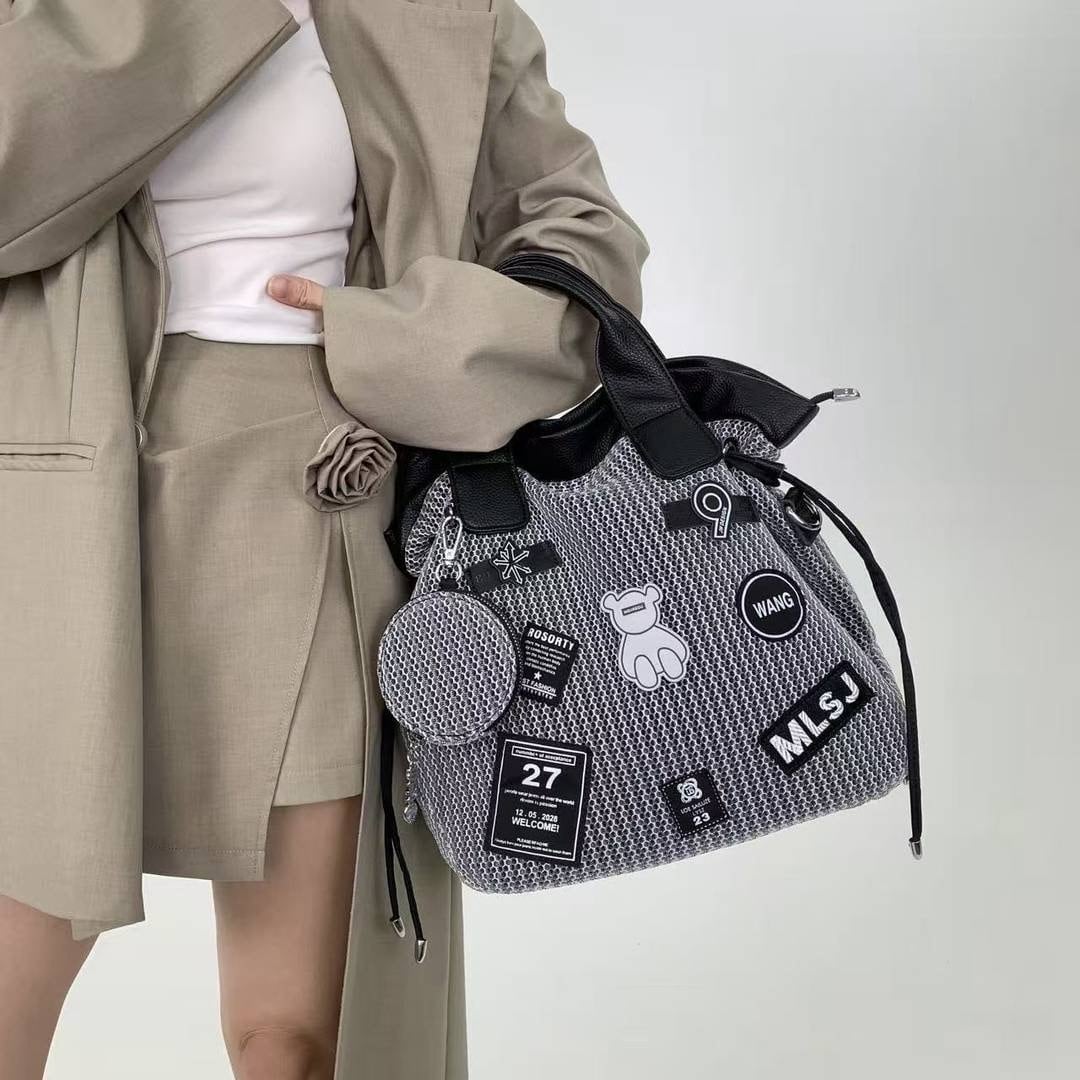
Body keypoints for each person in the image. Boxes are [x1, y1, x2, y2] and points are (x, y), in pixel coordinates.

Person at [0, 0, 648, 1077]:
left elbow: (584, 246)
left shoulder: (444, 14)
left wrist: (399, 340)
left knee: (300, 1038)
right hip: (54, 512)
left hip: (313, 502)